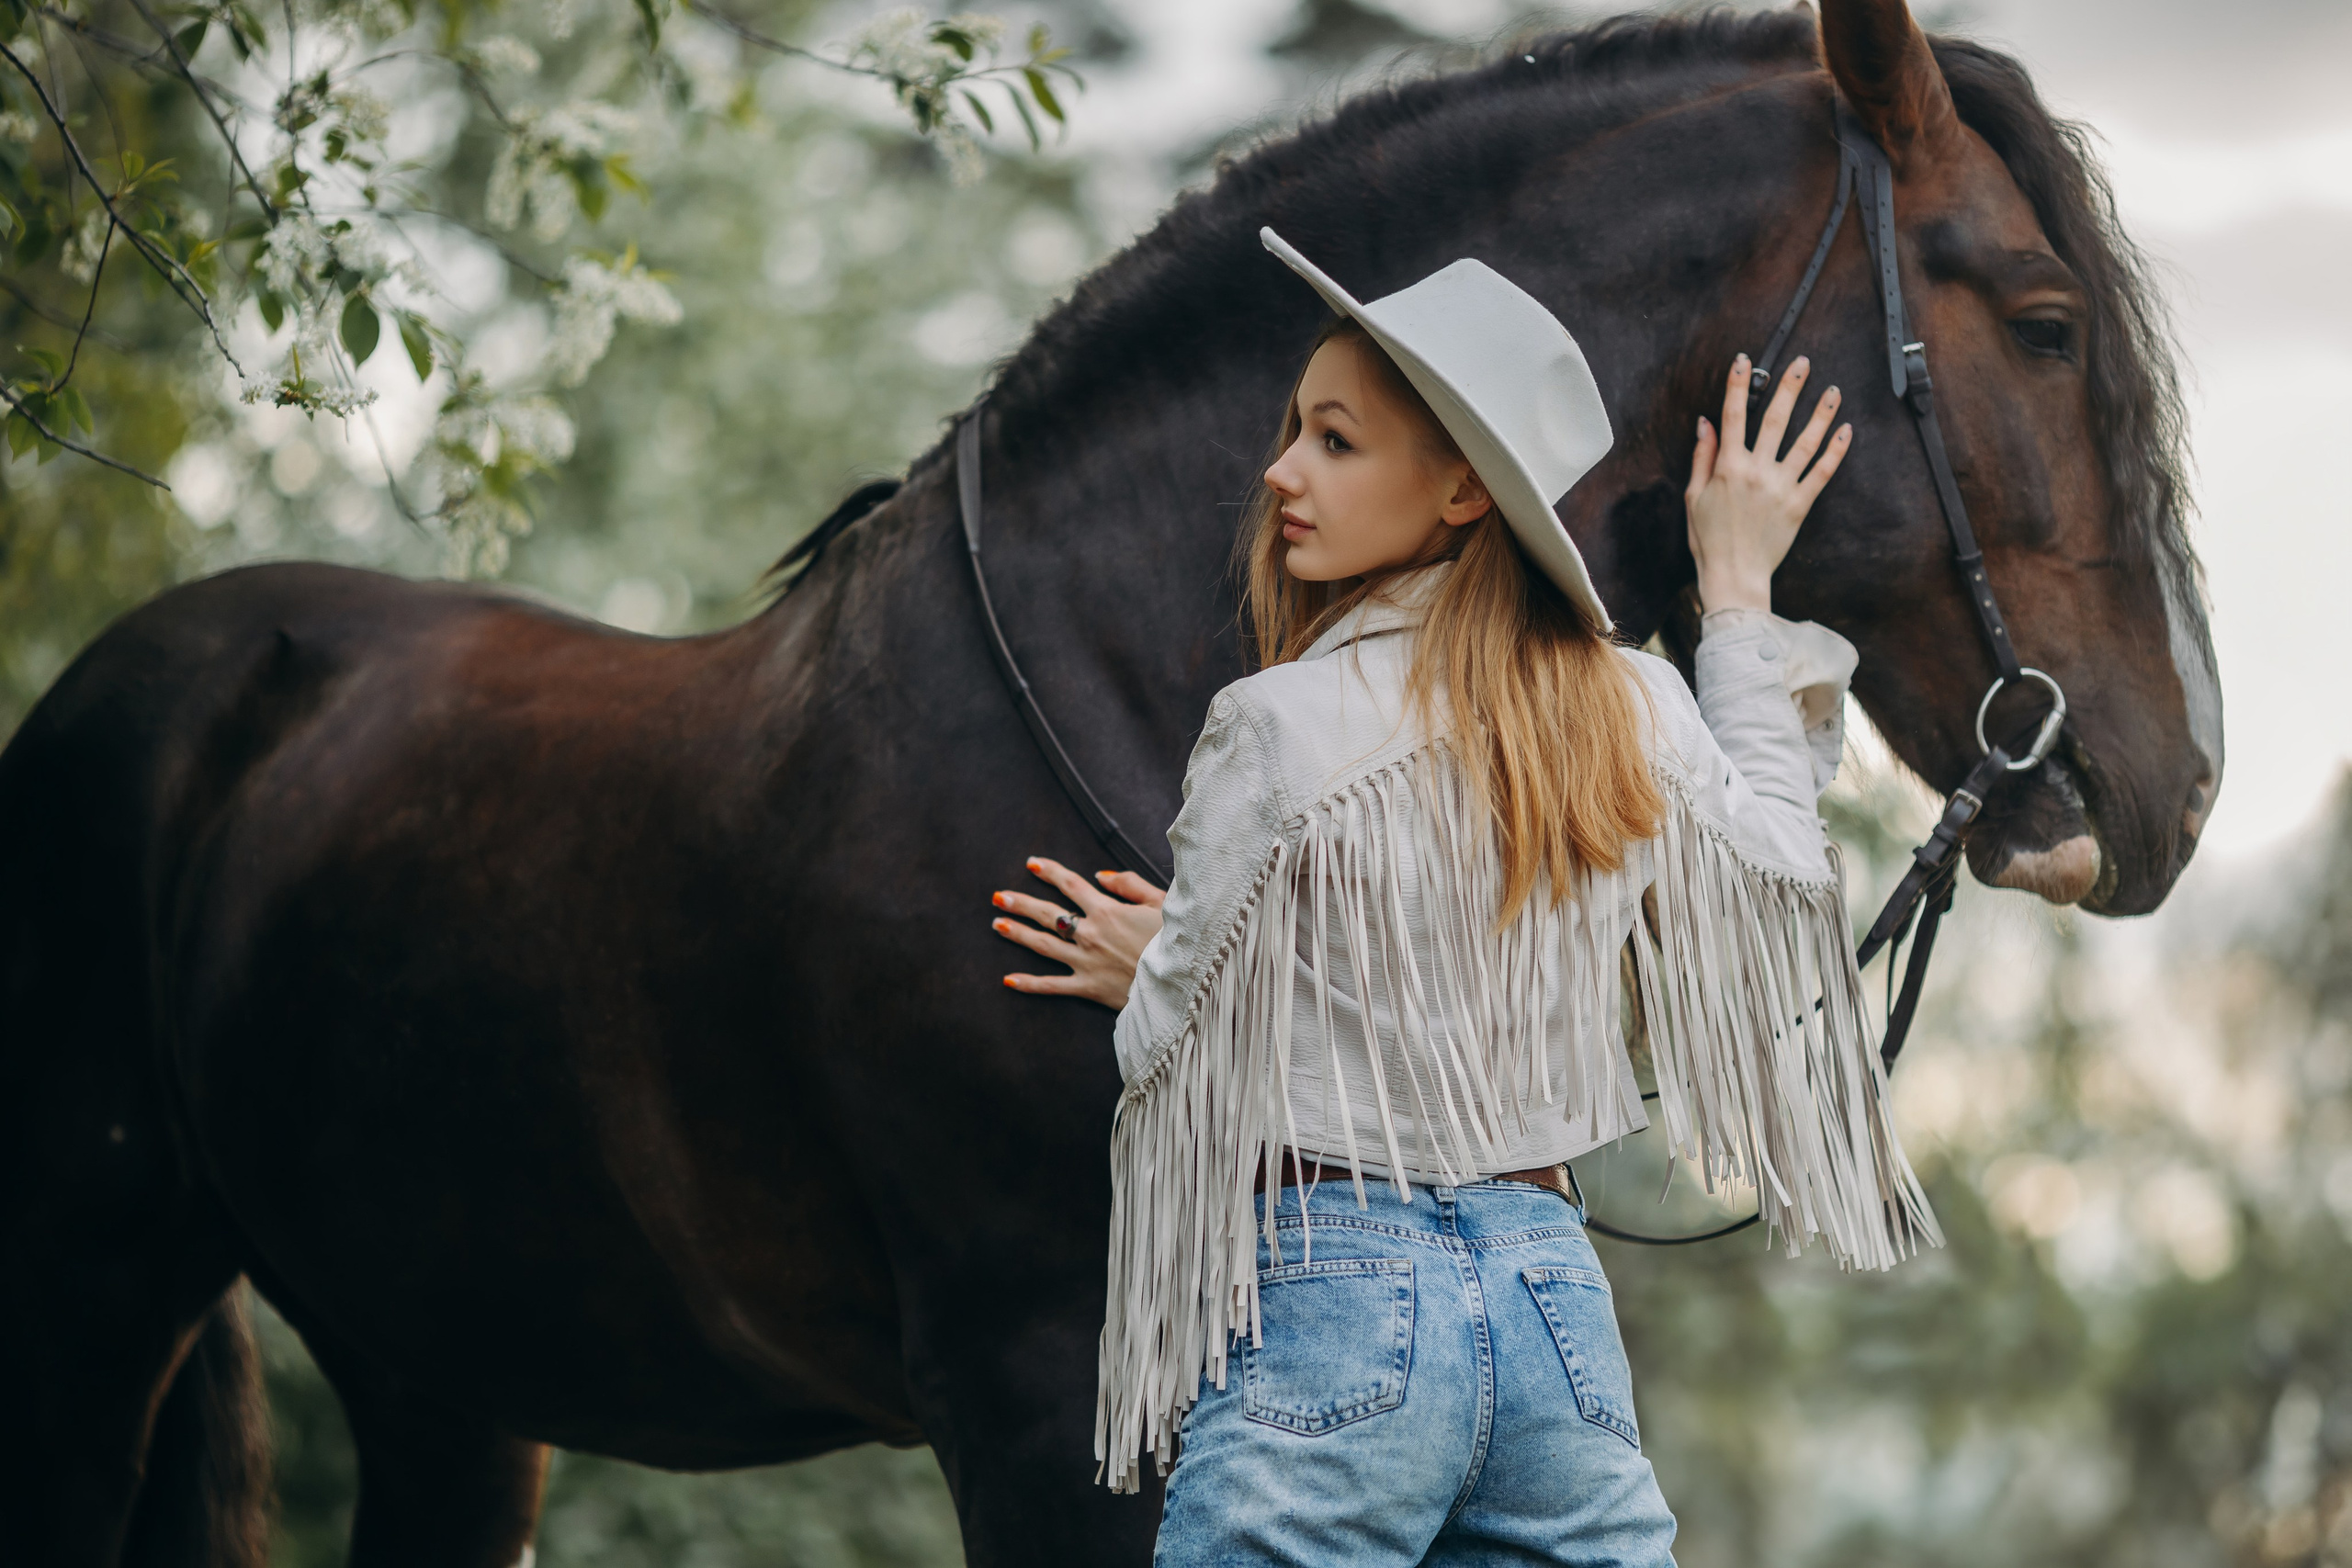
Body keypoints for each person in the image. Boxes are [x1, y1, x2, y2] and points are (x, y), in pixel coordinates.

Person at [986, 229, 1939, 1564]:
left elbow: (1177, 1050)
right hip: (1551, 1298)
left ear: (1461, 492)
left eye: (1334, 441)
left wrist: (1156, 968)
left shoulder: (1274, 725)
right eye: (1296, 431)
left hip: (1332, 1298)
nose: (1281, 472)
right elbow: (1780, 884)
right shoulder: (1629, 706)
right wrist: (1736, 596)